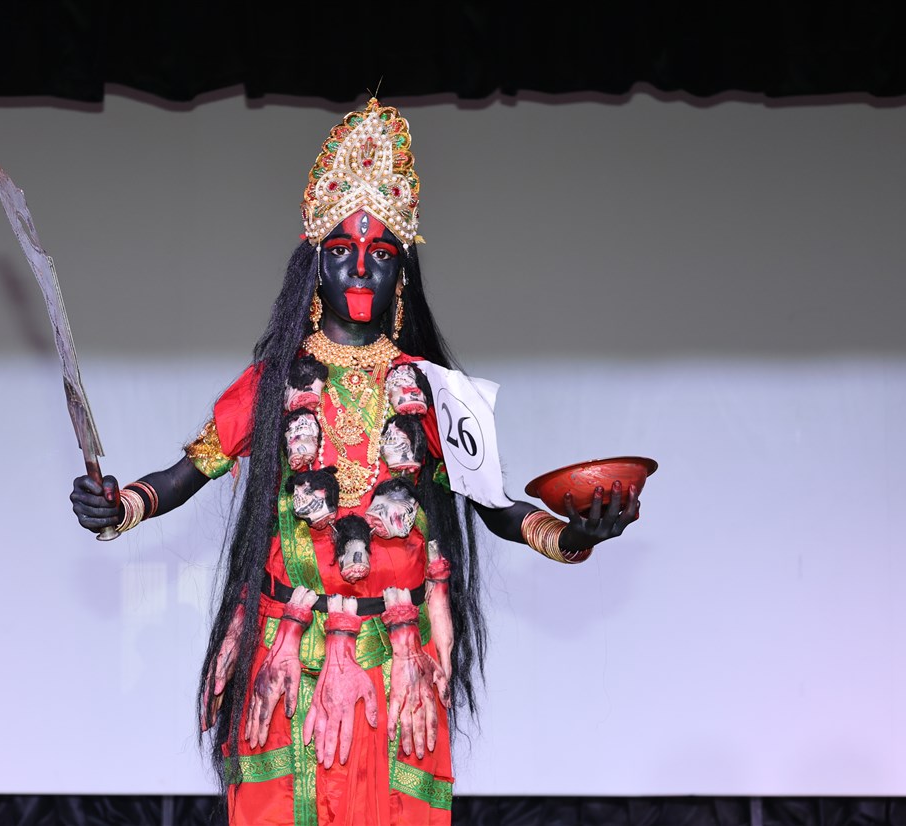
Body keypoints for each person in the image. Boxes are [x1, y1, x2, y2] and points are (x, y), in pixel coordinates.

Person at [70, 99, 640, 825]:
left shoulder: (433, 393)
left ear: (401, 273)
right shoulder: (273, 385)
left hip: (397, 663)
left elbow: (494, 506)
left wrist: (571, 536)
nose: (362, 267)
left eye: (382, 253)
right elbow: (187, 473)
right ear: (314, 267)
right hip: (289, 658)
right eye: (341, 250)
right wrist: (118, 508)